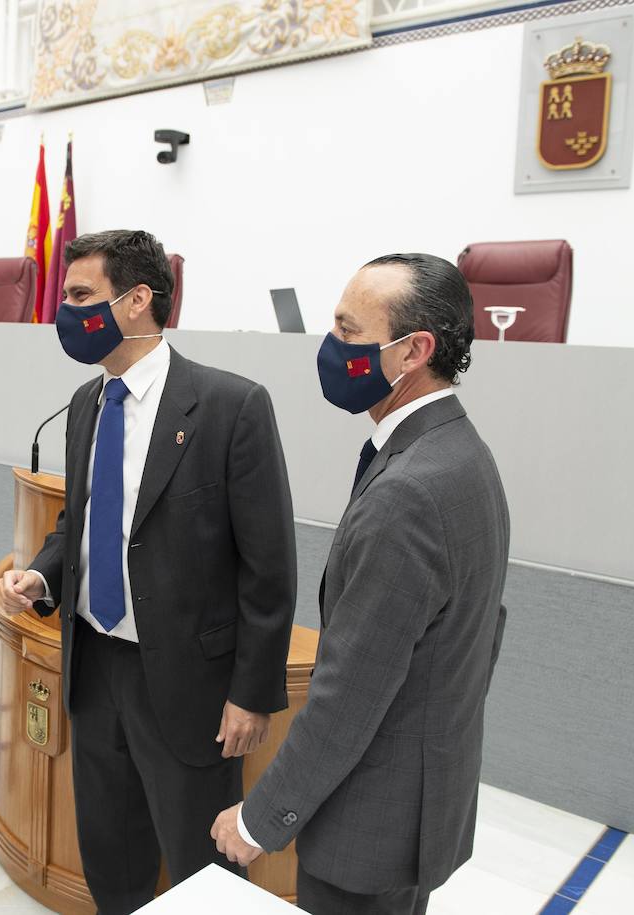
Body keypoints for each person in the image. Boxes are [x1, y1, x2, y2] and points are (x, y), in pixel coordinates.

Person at [0, 230, 298, 915]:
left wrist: (252, 693)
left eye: (80, 295)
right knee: (111, 848)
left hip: (189, 683)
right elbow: (82, 518)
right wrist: (43, 575)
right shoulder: (86, 402)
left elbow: (269, 565)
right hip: (95, 668)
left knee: (200, 868)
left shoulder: (230, 406)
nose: (65, 311)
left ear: (136, 300)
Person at [211, 254, 510, 915]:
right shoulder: (462, 452)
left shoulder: (409, 492)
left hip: (371, 822)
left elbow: (350, 691)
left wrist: (260, 819)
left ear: (413, 351)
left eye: (349, 331)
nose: (331, 346)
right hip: (421, 799)